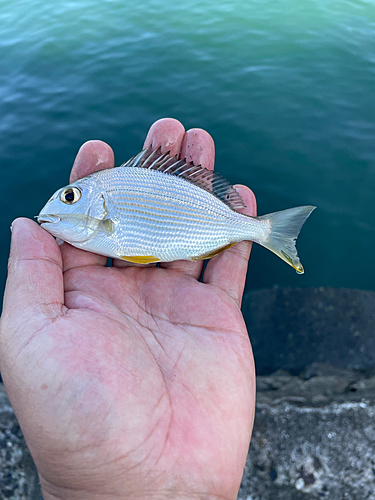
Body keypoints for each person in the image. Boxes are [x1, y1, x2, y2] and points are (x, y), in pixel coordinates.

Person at [0, 118, 257, 500]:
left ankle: (259, 229)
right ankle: (258, 229)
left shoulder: (109, 195)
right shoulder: (103, 202)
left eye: (70, 197)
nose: (59, 206)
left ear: (94, 203)